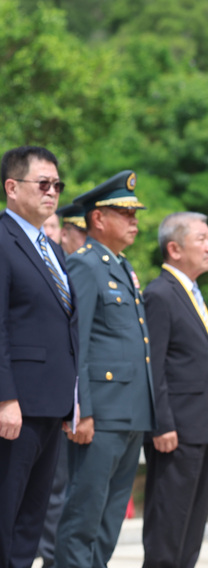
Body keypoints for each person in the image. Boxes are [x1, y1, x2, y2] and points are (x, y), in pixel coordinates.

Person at [55, 170, 157, 568]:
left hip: (130, 411)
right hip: (100, 415)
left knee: (110, 519)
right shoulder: (86, 265)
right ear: (99, 219)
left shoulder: (121, 266)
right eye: (125, 214)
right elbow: (76, 343)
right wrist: (82, 410)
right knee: (83, 515)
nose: (134, 222)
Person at [0, 146, 78, 568]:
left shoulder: (52, 250)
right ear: (12, 188)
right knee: (6, 513)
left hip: (53, 404)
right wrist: (4, 397)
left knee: (32, 518)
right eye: (43, 184)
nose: (52, 192)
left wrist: (75, 400)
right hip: (17, 406)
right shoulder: (2, 240)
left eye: (57, 185)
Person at [142, 211, 208, 568]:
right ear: (174, 249)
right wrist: (162, 424)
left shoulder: (191, 292)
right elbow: (153, 365)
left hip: (205, 425)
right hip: (176, 429)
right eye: (201, 240)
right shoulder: (160, 294)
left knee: (192, 528)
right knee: (169, 527)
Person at [37, 201, 87, 567]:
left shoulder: (66, 269)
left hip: (62, 399)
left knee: (57, 489)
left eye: (54, 228)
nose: (50, 234)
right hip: (27, 399)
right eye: (49, 228)